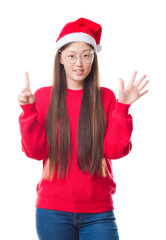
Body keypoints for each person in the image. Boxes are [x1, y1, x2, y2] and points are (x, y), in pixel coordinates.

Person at [18, 18, 149, 240]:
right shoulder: (42, 97)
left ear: (93, 59)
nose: (78, 63)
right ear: (60, 58)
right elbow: (35, 152)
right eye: (71, 56)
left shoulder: (106, 97)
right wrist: (28, 111)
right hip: (52, 212)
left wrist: (123, 108)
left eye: (86, 55)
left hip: (99, 212)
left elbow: (114, 151)